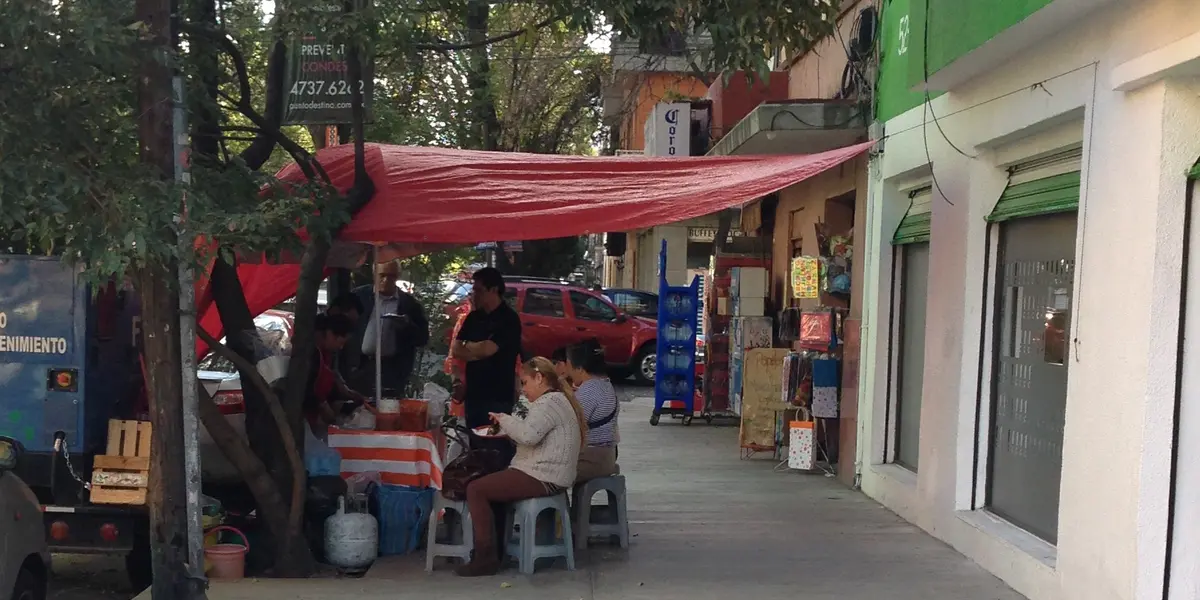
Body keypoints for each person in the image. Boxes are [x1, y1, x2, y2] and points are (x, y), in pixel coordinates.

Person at [457, 357, 587, 577]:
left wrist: (505, 420)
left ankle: (485, 558)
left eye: (525, 383)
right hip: (548, 472)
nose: (523, 390)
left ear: (539, 378)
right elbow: (530, 432)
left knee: (476, 489)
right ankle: (495, 550)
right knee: (489, 487)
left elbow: (528, 436)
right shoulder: (557, 400)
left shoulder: (549, 403)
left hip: (543, 475)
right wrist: (507, 425)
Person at [450, 268, 522, 433]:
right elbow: (456, 349)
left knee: (495, 446)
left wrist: (469, 348)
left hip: (498, 396)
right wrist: (476, 350)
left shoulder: (508, 319)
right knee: (474, 444)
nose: (474, 295)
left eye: (479, 290)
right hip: (473, 395)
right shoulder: (474, 318)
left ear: (494, 290)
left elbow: (488, 350)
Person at [350, 261, 429, 398]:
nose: (386, 280)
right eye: (382, 275)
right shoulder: (359, 297)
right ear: (374, 274)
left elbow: (423, 338)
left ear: (398, 276)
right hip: (360, 366)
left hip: (392, 369)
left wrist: (407, 326)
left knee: (388, 408)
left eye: (391, 276)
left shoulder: (409, 304)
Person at [565, 341, 620, 483]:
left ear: (580, 369)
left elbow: (567, 427)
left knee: (542, 473)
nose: (568, 372)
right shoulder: (605, 385)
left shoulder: (588, 392)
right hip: (607, 456)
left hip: (591, 460)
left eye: (569, 366)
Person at [304, 313, 359, 440]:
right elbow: (307, 390)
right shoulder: (310, 355)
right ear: (329, 334)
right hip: (306, 419)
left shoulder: (326, 355)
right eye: (340, 342)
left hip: (316, 419)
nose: (341, 347)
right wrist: (323, 407)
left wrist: (346, 393)